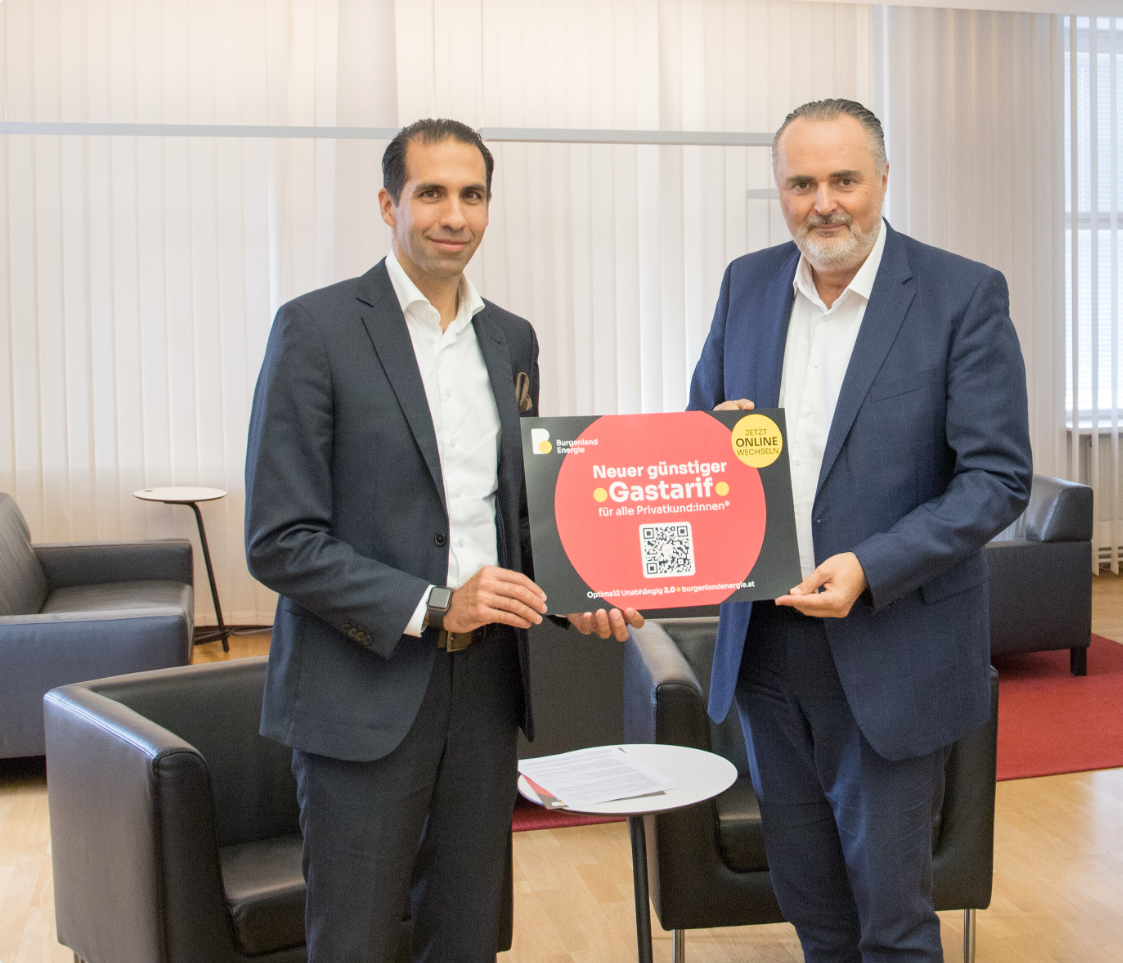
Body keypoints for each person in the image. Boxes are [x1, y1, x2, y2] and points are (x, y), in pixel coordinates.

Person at [245, 118, 640, 963]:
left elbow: (519, 512)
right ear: (389, 203)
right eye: (431, 193)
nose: (452, 214)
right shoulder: (314, 330)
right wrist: (432, 603)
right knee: (352, 939)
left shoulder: (512, 339)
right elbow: (279, 539)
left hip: (488, 687)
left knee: (466, 934)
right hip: (362, 688)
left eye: (471, 195)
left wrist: (582, 589)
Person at [688, 99, 1032, 963]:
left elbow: (996, 479)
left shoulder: (961, 294)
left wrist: (872, 566)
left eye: (843, 179)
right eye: (801, 183)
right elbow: (695, 436)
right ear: (779, 191)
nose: (823, 202)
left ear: (882, 179)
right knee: (812, 908)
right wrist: (715, 442)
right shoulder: (746, 284)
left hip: (891, 647)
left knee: (891, 921)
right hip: (766, 650)